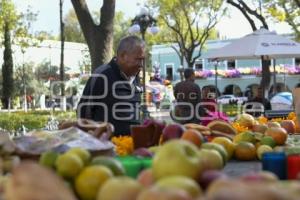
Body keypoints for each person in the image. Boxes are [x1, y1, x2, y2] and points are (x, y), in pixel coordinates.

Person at [77, 35, 145, 136]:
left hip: (130, 146)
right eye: (138, 59)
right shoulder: (101, 75)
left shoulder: (136, 76)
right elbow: (83, 112)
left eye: (143, 59)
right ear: (122, 56)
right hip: (106, 147)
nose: (141, 64)